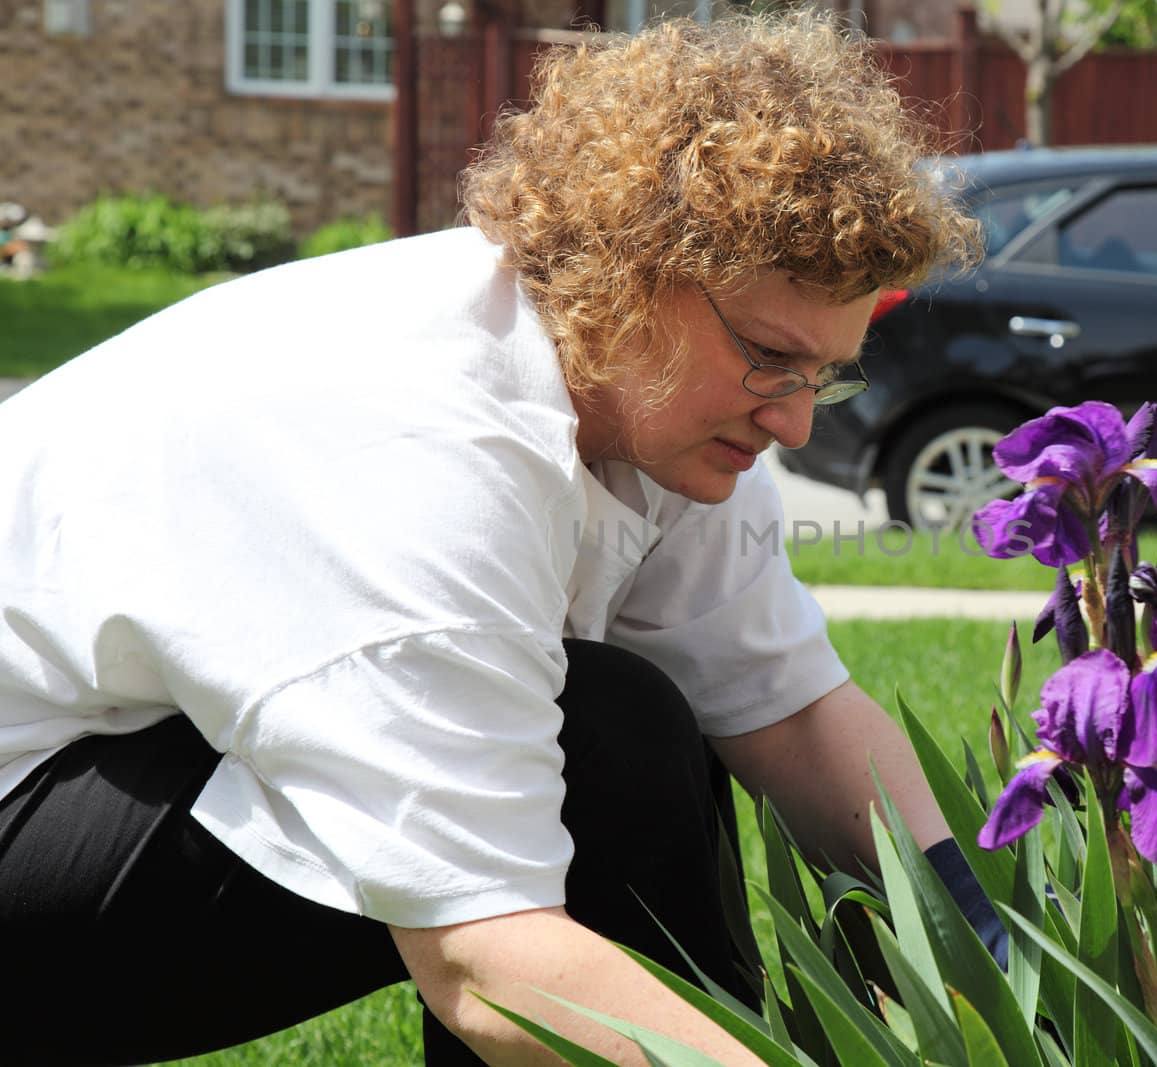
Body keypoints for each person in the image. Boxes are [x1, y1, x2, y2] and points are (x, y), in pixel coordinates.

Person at [0, 13, 995, 1066]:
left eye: (824, 373)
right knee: (602, 737)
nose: (796, 421)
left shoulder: (653, 407)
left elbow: (788, 717)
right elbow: (484, 962)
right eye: (768, 357)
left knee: (629, 726)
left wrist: (988, 951)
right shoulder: (423, 453)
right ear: (627, 266)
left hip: (102, 756)